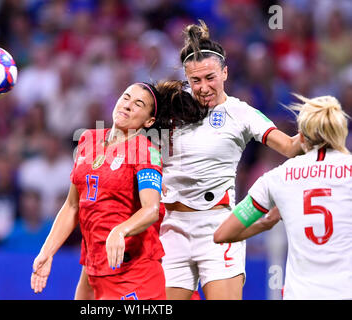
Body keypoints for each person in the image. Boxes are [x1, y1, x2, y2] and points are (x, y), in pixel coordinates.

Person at [159, 20, 302, 300]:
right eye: (195, 80)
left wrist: (318, 129)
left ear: (225, 72)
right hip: (171, 228)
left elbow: (288, 147)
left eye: (210, 77)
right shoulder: (170, 108)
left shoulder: (241, 113)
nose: (203, 87)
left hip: (218, 229)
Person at [31, 81, 204, 300]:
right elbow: (73, 206)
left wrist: (119, 230)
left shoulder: (145, 151)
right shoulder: (88, 140)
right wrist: (47, 252)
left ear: (149, 121)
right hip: (94, 269)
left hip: (133, 272)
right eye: (126, 97)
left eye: (139, 104)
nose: (128, 105)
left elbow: (150, 209)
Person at [214, 95, 352, 300]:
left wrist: (266, 223)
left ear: (301, 137)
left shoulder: (278, 177)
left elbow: (223, 234)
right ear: (342, 133)